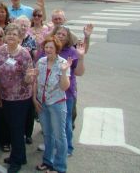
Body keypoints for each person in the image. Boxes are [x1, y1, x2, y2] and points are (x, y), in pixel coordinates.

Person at [0, 23, 35, 173]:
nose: (11, 36)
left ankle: (16, 161)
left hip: (20, 98)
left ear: (20, 38)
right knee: (11, 128)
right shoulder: (0, 51)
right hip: (5, 96)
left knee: (17, 129)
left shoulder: (24, 53)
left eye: (15, 34)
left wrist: (29, 78)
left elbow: (28, 77)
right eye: (9, 33)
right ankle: (20, 156)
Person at [34, 35, 71, 173]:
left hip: (57, 103)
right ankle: (47, 161)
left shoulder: (63, 63)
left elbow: (64, 87)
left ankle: (60, 167)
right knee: (47, 134)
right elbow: (36, 81)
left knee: (59, 136)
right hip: (42, 103)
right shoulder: (41, 62)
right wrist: (34, 99)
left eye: (51, 47)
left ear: (57, 49)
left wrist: (63, 71)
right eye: (46, 47)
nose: (48, 50)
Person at [52, 25, 86, 158]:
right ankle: (54, 144)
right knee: (52, 121)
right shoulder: (49, 48)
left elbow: (79, 72)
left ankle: (67, 148)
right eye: (58, 33)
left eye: (63, 34)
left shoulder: (72, 51)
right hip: (50, 93)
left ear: (68, 38)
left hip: (67, 93)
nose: (60, 36)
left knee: (65, 122)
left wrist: (81, 57)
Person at [16, 16, 38, 144]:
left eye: (25, 25)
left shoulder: (31, 40)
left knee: (28, 108)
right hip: (15, 79)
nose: (23, 27)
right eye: (21, 24)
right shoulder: (13, 39)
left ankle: (28, 134)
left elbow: (35, 58)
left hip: (28, 77)